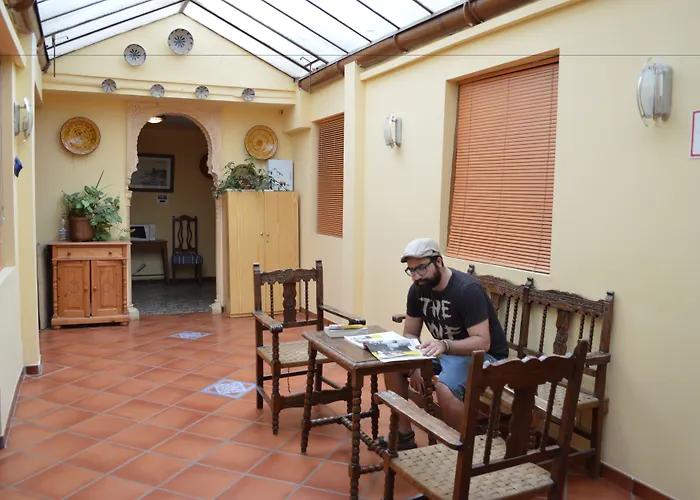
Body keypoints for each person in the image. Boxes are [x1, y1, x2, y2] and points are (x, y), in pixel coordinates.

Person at [382, 237, 510, 450]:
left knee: (445, 388)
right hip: (444, 352)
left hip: (483, 356)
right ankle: (404, 436)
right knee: (393, 365)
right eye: (411, 270)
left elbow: (483, 342)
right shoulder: (417, 289)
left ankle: (466, 449)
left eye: (422, 268)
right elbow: (411, 333)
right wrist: (413, 364)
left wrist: (445, 345)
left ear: (439, 262)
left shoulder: (467, 290)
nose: (416, 276)